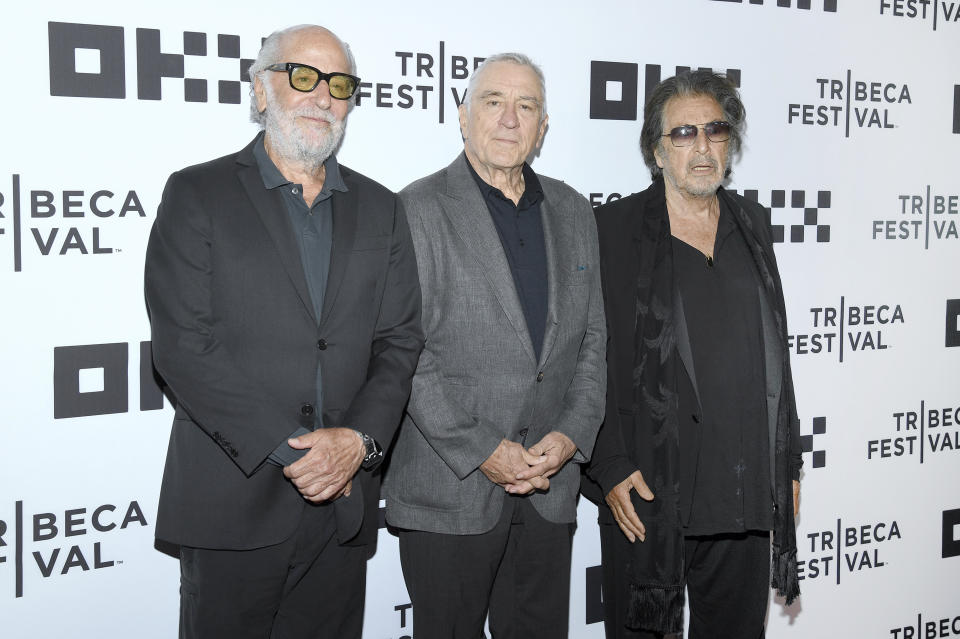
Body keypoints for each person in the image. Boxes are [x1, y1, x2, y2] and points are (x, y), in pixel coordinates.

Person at [144, 24, 423, 639]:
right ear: (261, 89)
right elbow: (184, 347)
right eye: (303, 76)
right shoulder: (197, 193)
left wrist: (359, 442)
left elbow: (400, 340)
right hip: (232, 505)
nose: (322, 96)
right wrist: (294, 448)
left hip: (344, 507)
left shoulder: (382, 207)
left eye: (339, 84)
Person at [383, 52, 606, 638]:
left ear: (543, 127)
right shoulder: (415, 208)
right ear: (462, 117)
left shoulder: (574, 210)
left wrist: (570, 436)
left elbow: (591, 342)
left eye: (526, 105)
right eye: (493, 102)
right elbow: (407, 356)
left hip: (548, 490)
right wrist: (485, 450)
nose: (510, 118)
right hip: (450, 490)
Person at [582, 70, 802, 639]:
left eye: (715, 131)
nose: (702, 147)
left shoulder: (752, 225)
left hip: (742, 485)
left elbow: (775, 355)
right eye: (683, 134)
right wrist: (608, 466)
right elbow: (583, 360)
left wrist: (788, 462)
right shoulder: (611, 229)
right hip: (650, 488)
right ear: (656, 150)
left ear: (731, 143)